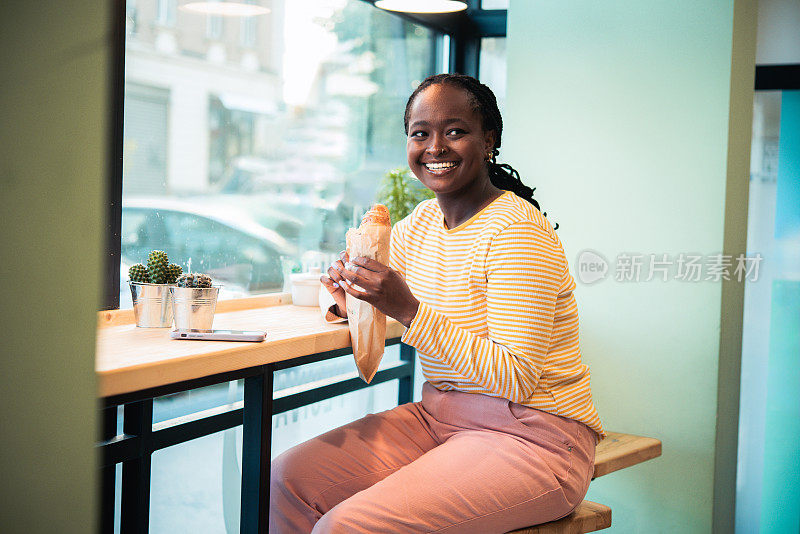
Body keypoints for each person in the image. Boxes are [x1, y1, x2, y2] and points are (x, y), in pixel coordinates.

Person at [270, 73, 605, 533]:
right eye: (420, 133)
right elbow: (392, 306)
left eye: (455, 131)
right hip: (439, 417)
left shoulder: (518, 231)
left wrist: (406, 308)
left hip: (534, 437)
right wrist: (353, 298)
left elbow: (515, 377)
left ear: (489, 141)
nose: (435, 147)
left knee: (347, 527)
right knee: (285, 481)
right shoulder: (421, 222)